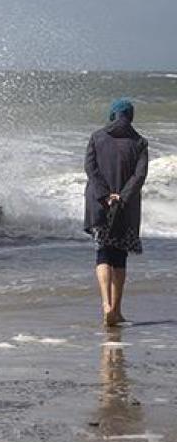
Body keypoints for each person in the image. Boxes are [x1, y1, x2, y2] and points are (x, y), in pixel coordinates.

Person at [84, 98, 148, 327]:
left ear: (112, 115)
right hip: (125, 208)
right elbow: (139, 175)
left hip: (99, 204)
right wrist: (121, 196)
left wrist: (105, 195)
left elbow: (90, 168)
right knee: (119, 258)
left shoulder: (96, 137)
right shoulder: (139, 142)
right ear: (130, 116)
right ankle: (117, 310)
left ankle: (105, 305)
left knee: (102, 254)